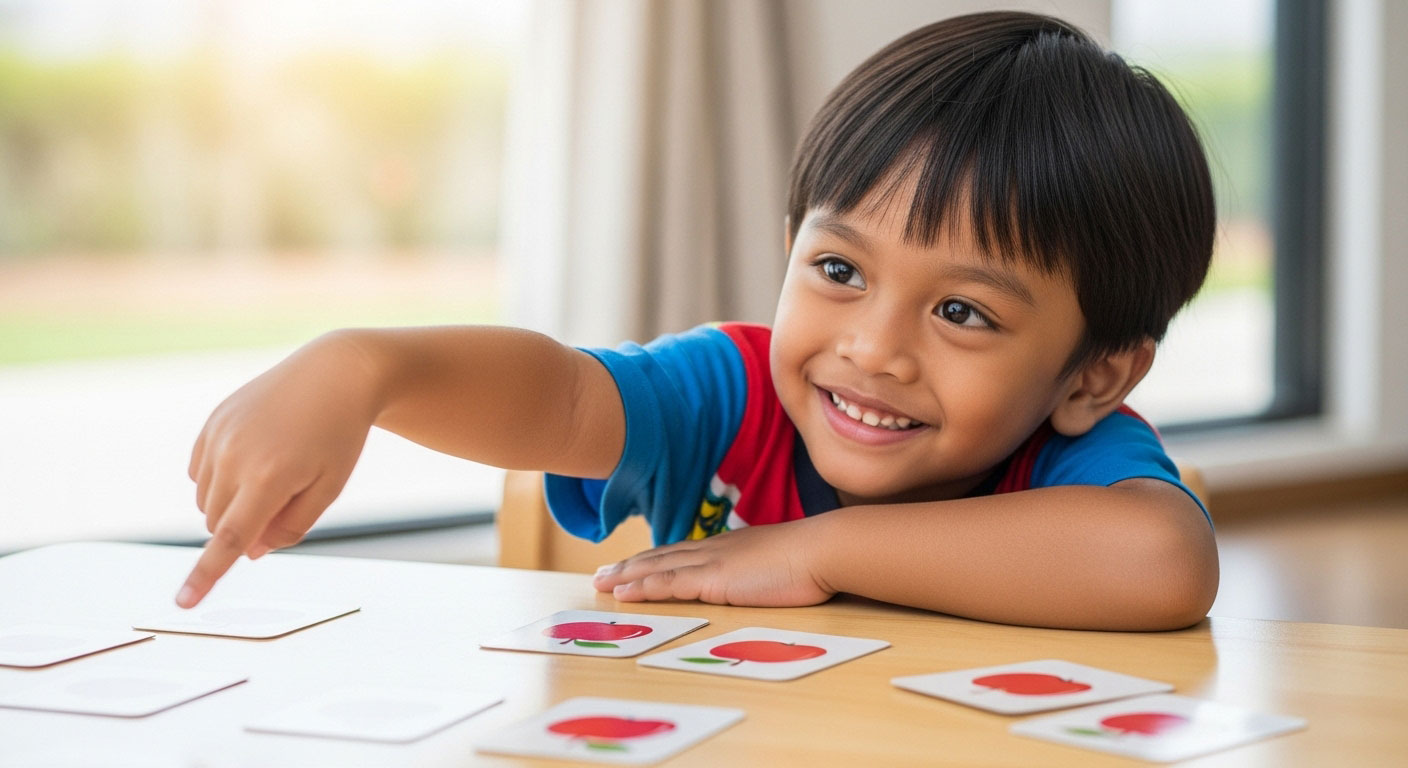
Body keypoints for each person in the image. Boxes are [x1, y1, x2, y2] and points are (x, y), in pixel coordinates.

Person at [177, 11, 1219, 631]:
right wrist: (363, 368)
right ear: (788, 247)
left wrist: (817, 551)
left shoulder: (1072, 464)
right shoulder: (732, 395)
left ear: (1093, 377)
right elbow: (559, 394)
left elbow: (1163, 562)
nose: (869, 347)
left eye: (959, 311)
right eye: (838, 268)